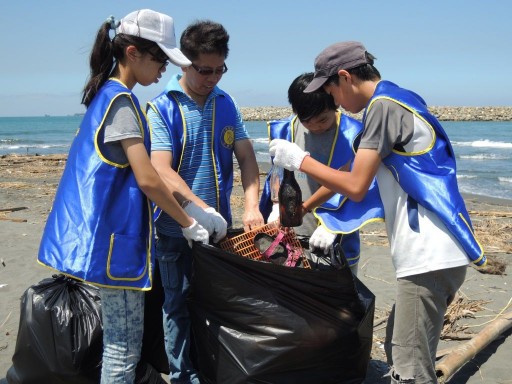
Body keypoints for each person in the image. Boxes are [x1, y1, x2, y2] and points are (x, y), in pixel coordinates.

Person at [269, 41, 486, 384]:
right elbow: (351, 168)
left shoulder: (382, 107)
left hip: (427, 255)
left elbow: (356, 185)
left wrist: (301, 161)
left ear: (345, 77)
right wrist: (305, 207)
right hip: (437, 254)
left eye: (332, 91)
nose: (336, 103)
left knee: (410, 370)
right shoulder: (399, 99)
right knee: (398, 346)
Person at [37, 10, 210, 384]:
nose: (163, 69)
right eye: (159, 59)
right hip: (115, 247)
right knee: (123, 348)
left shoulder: (106, 95)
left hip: (108, 243)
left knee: (121, 344)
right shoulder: (123, 103)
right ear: (133, 53)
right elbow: (147, 178)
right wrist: (190, 223)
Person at [146, 20, 264, 384]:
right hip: (174, 228)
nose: (212, 78)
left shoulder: (226, 104)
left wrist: (251, 205)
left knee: (214, 302)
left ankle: (212, 367)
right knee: (177, 303)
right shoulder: (162, 108)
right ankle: (183, 376)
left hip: (218, 230)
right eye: (204, 70)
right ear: (184, 63)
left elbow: (245, 158)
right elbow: (161, 169)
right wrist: (197, 207)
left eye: (219, 70)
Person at [259, 72, 380, 275]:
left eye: (323, 120)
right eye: (307, 121)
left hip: (335, 233)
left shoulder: (355, 135)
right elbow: (276, 171)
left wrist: (332, 225)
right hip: (291, 231)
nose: (315, 126)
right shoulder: (286, 130)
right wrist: (276, 205)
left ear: (336, 103)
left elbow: (360, 185)